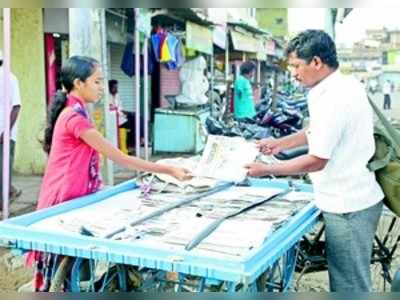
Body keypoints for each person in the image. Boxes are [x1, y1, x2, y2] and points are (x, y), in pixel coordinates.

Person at [27, 56, 191, 291]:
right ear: (78, 83)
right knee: (61, 271)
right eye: (97, 82)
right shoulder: (74, 117)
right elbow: (120, 157)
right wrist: (169, 169)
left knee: (72, 268)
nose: (101, 88)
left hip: (74, 197)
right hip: (61, 201)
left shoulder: (76, 111)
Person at [246, 30, 384, 292]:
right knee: (348, 279)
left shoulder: (334, 97)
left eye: (297, 66)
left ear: (317, 62)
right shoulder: (342, 85)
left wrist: (266, 170)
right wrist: (281, 143)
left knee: (349, 285)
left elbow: (316, 161)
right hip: (353, 196)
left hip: (349, 205)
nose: (294, 73)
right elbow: (318, 133)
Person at [0, 49, 22, 206]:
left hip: (5, 133)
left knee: (3, 168)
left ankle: (4, 203)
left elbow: (16, 106)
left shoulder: (9, 78)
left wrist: (5, 132)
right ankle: (10, 192)